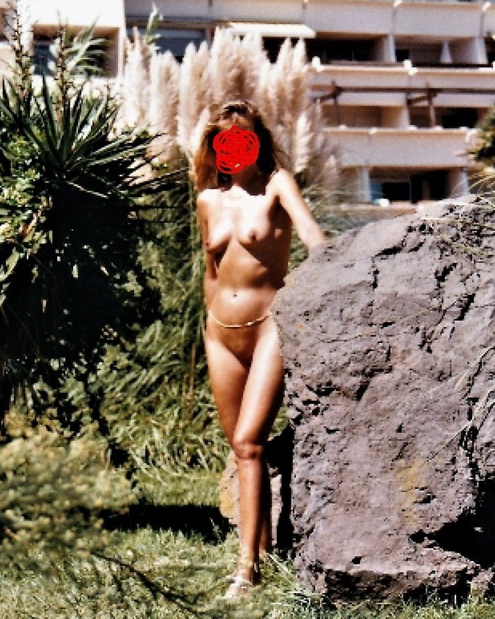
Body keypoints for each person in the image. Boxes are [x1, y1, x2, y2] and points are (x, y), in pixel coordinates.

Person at [194, 100, 325, 597]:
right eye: (222, 140)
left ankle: (245, 571)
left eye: (241, 138)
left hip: (269, 325)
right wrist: (209, 326)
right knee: (243, 450)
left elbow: (314, 239)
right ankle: (263, 555)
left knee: (250, 442)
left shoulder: (277, 186)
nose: (231, 148)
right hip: (220, 334)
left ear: (257, 141)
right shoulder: (207, 200)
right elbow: (210, 273)